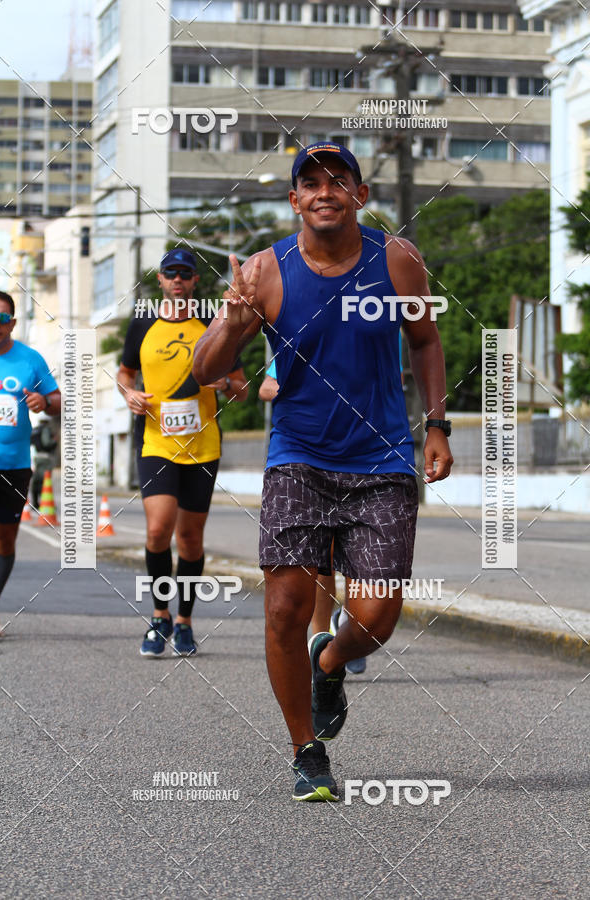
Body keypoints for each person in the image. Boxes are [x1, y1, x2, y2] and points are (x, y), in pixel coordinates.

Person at [193, 142, 453, 801]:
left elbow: (425, 341)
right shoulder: (264, 271)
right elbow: (204, 368)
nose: (324, 191)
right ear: (295, 200)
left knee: (377, 616)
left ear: (360, 195)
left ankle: (330, 660)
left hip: (382, 460)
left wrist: (438, 425)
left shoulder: (397, 259)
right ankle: (306, 750)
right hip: (297, 459)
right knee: (284, 607)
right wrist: (233, 320)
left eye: (339, 180)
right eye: (310, 183)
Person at [117, 249, 248, 658]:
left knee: (190, 538)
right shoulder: (142, 323)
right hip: (155, 442)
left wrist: (224, 384)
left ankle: (185, 621)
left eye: (185, 274)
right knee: (159, 530)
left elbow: (243, 388)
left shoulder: (214, 324)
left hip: (202, 446)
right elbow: (124, 373)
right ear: (159, 279)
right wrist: (129, 394)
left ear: (194, 281)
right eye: (170, 273)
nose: (177, 279)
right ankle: (160, 616)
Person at [259, 360, 366, 673]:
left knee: (359, 554)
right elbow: (266, 387)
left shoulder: (381, 331)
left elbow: (393, 382)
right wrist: (308, 391)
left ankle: (350, 624)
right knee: (324, 555)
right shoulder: (303, 337)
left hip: (362, 454)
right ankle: (320, 639)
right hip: (310, 458)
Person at [0, 290, 61, 638]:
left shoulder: (30, 359)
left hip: (15, 465)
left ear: (12, 323)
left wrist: (44, 402)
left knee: (4, 542)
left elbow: (58, 399)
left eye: (2, 318)